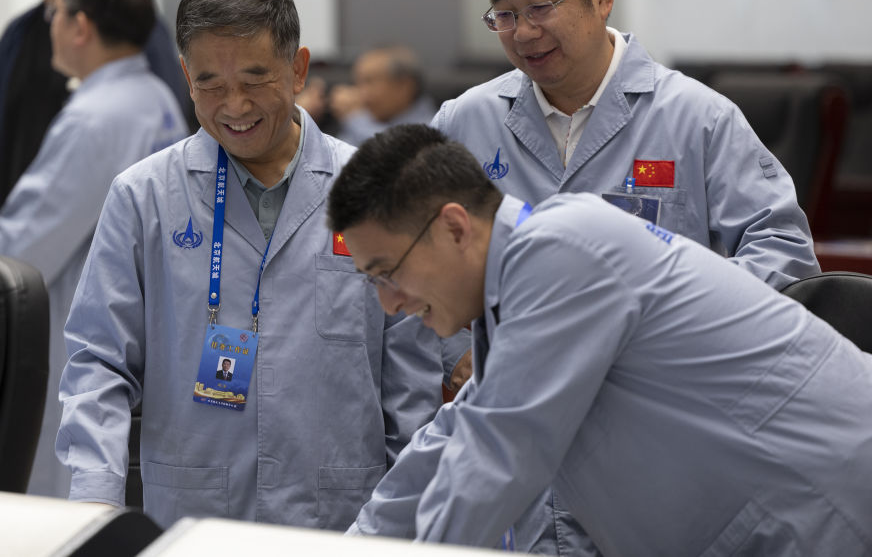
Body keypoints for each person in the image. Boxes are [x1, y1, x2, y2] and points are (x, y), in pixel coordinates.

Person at [329, 124, 872, 556]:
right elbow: (450, 442)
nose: (388, 304)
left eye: (387, 273)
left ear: (454, 228)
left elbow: (496, 457)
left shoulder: (561, 251)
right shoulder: (521, 291)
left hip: (824, 510)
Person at [55, 0, 466, 529]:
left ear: (298, 69)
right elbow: (98, 362)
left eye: (254, 78)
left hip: (342, 521)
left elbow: (409, 381)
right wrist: (95, 498)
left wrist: (402, 519)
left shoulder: (375, 191)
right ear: (186, 77)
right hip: (194, 517)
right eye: (211, 84)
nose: (235, 105)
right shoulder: (144, 196)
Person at [432, 0, 819, 292]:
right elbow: (416, 257)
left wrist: (679, 314)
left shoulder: (698, 119)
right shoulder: (463, 123)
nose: (522, 33)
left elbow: (786, 255)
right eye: (504, 14)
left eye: (539, 7)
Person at [0, 0, 188, 498]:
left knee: (58, 471)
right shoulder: (155, 97)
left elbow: (23, 244)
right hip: (145, 314)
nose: (50, 25)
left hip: (78, 315)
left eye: (55, 14)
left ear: (80, 26)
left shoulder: (95, 116)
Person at [0, 0, 191, 249]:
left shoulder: (137, 32)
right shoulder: (17, 35)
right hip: (24, 249)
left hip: (102, 251)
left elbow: (161, 155)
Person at [332, 46, 436, 146]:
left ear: (404, 86)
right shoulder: (368, 119)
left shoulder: (432, 128)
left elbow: (396, 151)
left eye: (369, 82)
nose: (360, 93)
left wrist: (355, 118)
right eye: (357, 83)